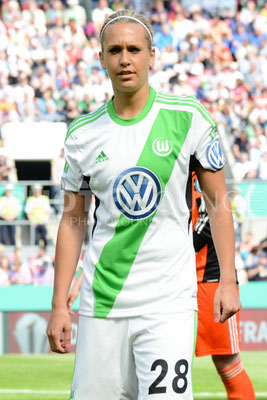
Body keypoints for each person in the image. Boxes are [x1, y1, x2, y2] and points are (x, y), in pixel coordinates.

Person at [46, 10, 240, 400]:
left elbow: (219, 204)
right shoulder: (83, 134)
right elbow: (72, 221)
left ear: (152, 55)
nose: (124, 59)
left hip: (168, 302)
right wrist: (57, 305)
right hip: (102, 304)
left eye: (134, 49)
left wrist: (229, 282)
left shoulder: (189, 118)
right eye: (114, 50)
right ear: (100, 58)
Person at [191, 172, 255, 400]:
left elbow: (212, 218)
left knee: (228, 364)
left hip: (211, 280)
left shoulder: (202, 171)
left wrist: (179, 253)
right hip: (180, 279)